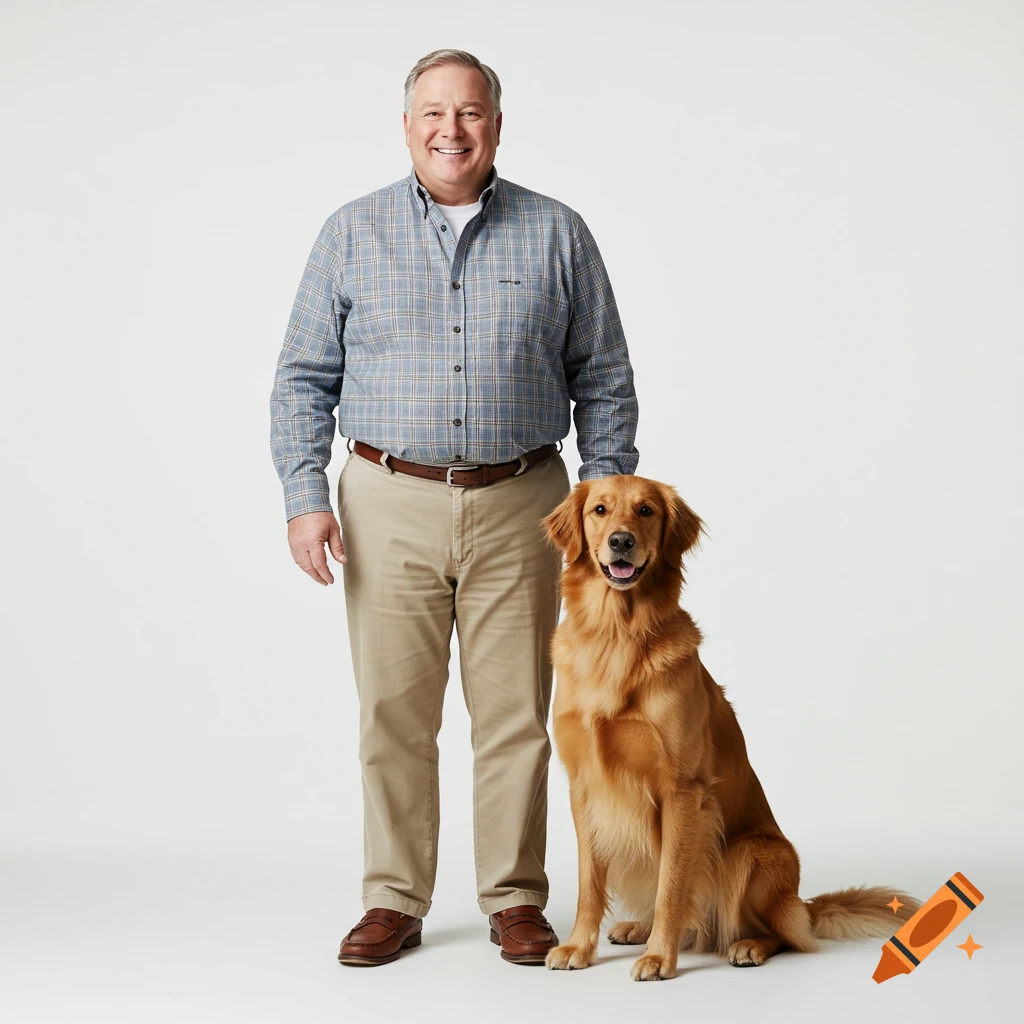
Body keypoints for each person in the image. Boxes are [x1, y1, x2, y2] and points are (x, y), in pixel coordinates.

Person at [269, 48, 639, 967]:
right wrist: (306, 498)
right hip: (387, 500)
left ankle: (516, 898)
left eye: (470, 112)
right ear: (406, 126)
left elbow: (605, 379)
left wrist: (607, 511)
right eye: (433, 112)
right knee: (394, 712)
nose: (451, 130)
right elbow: (302, 379)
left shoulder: (558, 232)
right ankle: (393, 899)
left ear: (498, 125)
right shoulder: (350, 234)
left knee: (518, 714)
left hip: (527, 504)